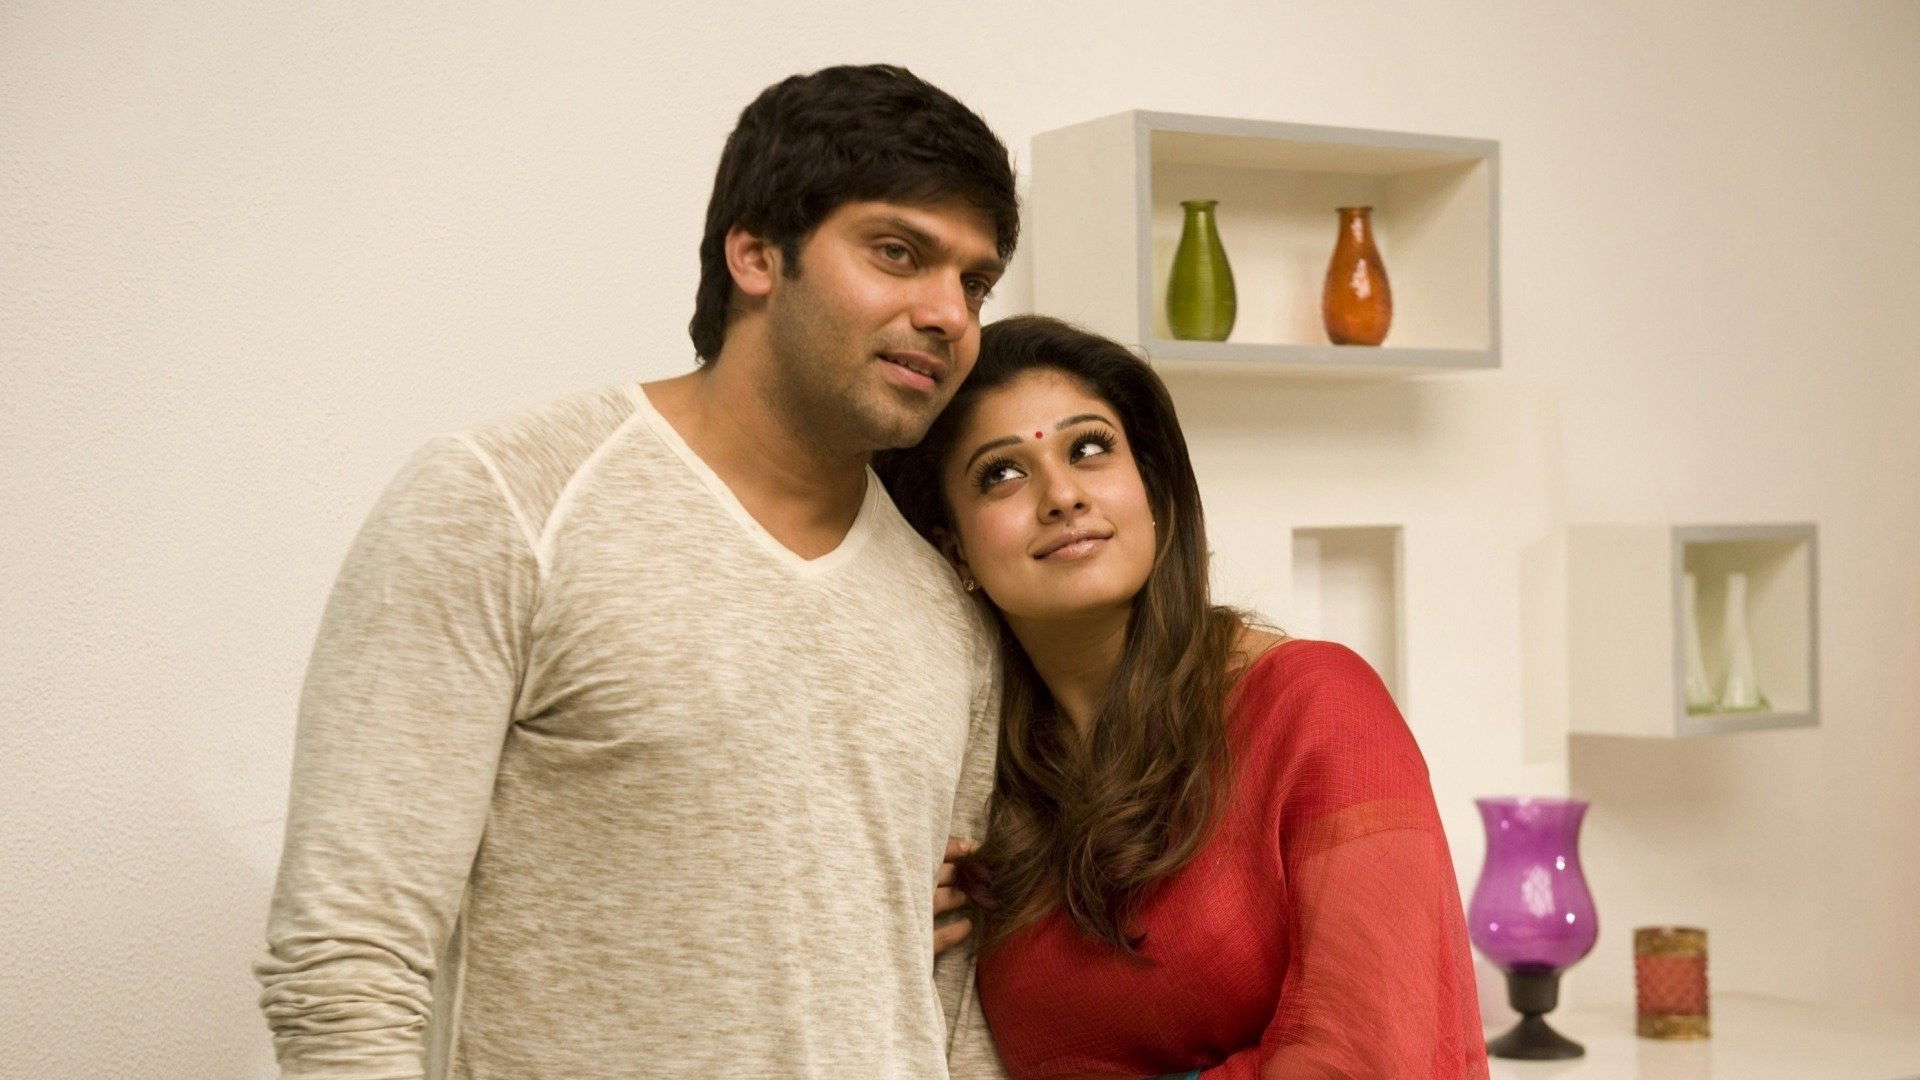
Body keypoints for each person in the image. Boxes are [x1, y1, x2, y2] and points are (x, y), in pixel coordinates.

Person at [254, 64, 1017, 1078]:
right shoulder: (505, 503)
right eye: (898, 253)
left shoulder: (948, 617)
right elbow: (345, 966)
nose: (949, 314)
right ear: (756, 253)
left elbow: (945, 1009)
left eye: (974, 283)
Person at [876, 315, 1490, 1079]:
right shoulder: (982, 786)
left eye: (1089, 449)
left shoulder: (1317, 709)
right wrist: (883, 935)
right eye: (1001, 473)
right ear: (954, 549)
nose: (1062, 495)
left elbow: (1365, 1056)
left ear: (1154, 492)